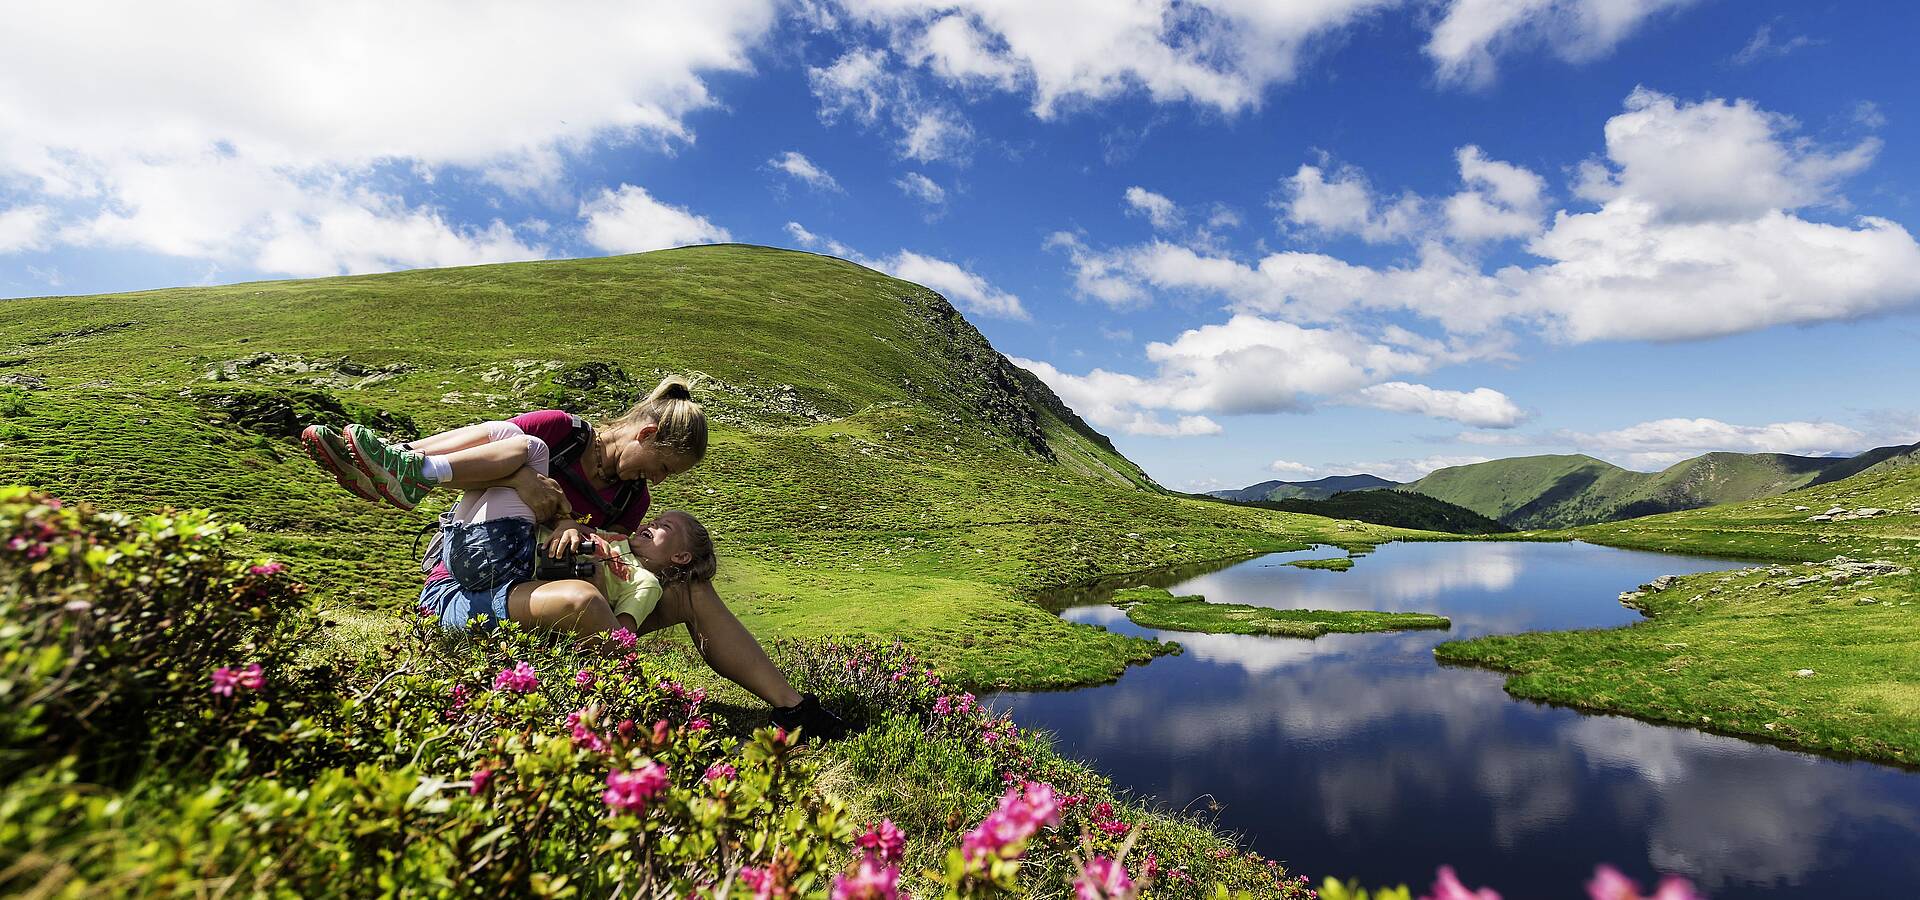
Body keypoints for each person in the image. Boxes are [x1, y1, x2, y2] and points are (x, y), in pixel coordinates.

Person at [299, 377, 846, 739]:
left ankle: (793, 708)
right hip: (473, 585)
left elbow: (605, 555)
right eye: (663, 466)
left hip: (545, 591)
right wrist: (529, 484)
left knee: (688, 589)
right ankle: (402, 463)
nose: (659, 482)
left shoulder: (635, 499)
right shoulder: (558, 435)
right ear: (647, 434)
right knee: (517, 450)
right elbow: (489, 469)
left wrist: (566, 524)